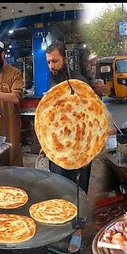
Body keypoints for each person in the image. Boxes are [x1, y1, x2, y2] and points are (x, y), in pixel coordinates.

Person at [44, 41, 93, 193]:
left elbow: (91, 121)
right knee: (59, 188)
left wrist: (88, 151)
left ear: (65, 59)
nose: (51, 65)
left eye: (55, 61)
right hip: (58, 147)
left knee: (76, 191)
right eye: (48, 62)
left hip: (78, 149)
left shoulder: (79, 83)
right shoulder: (54, 83)